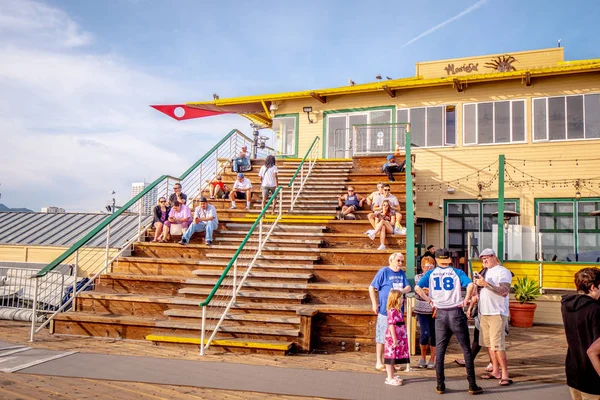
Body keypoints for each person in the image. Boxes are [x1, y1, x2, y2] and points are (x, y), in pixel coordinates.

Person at [415, 248, 483, 395]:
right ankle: (472, 384)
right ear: (449, 259)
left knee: (440, 349)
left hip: (440, 312)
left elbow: (417, 287)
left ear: (437, 260)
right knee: (465, 348)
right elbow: (471, 285)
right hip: (456, 312)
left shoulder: (431, 273)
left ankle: (440, 384)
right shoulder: (456, 272)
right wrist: (465, 300)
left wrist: (429, 301)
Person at [473, 248, 513, 386]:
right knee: (489, 345)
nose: (484, 260)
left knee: (498, 346)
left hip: (497, 313)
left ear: (495, 257)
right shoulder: (486, 271)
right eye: (482, 259)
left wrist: (486, 284)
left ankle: (505, 374)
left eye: (487, 258)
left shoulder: (503, 271)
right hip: (484, 313)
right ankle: (495, 371)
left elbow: (504, 291)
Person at [560, 267, 600, 399]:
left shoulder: (567, 305)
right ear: (593, 287)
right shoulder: (594, 309)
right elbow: (596, 348)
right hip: (592, 375)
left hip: (573, 369)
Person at [369, 252, 411, 372]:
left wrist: (400, 291)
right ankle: (379, 361)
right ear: (391, 260)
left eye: (402, 261)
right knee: (382, 336)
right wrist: (374, 303)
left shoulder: (402, 273)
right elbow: (372, 287)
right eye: (398, 261)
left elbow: (408, 287)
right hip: (385, 310)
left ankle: (394, 361)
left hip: (398, 311)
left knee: (395, 337)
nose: (400, 263)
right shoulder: (384, 271)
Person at [383, 289, 410, 386]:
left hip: (400, 337)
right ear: (396, 299)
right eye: (401, 298)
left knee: (394, 357)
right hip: (393, 338)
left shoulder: (398, 311)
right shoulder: (392, 311)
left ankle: (392, 375)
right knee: (390, 357)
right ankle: (389, 377)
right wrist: (394, 339)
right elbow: (391, 325)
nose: (403, 300)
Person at [414, 256, 436, 369]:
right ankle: (422, 357)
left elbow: (429, 291)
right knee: (424, 334)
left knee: (435, 335)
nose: (429, 268)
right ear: (422, 267)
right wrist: (428, 291)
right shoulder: (418, 277)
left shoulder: (437, 278)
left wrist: (427, 290)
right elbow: (420, 291)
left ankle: (433, 358)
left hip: (435, 310)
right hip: (422, 310)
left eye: (432, 266)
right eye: (427, 266)